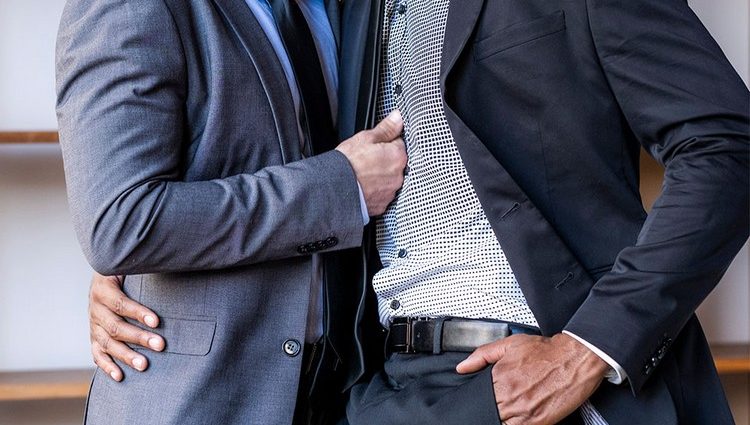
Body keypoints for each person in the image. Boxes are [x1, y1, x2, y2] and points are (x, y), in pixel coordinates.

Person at [89, 0, 750, 424]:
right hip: (378, 394)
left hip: (543, 376)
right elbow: (292, 173)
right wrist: (136, 257)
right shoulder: (335, 10)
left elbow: (727, 148)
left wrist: (588, 349)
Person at [55, 0, 406, 423]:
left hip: (346, 394)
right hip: (197, 400)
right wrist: (339, 190)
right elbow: (122, 223)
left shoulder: (342, 9)